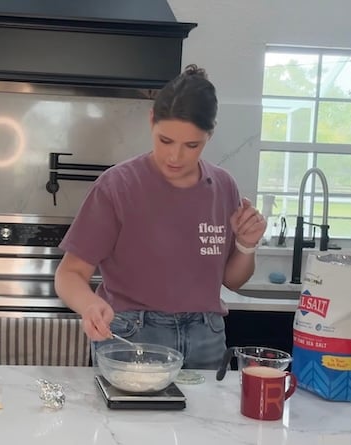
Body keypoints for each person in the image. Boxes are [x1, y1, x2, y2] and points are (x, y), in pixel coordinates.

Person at [54, 64, 266, 369]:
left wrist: (246, 246)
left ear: (210, 134)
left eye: (191, 145)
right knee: (131, 419)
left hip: (206, 337)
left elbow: (233, 280)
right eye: (165, 141)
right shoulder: (118, 186)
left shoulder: (223, 187)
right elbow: (69, 274)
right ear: (152, 121)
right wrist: (90, 305)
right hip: (132, 336)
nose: (175, 157)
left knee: (206, 419)